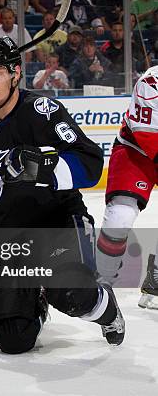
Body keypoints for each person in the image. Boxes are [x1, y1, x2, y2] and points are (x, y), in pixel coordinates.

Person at [0, 37, 125, 354]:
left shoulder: (43, 112)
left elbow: (90, 165)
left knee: (72, 293)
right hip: (8, 234)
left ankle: (107, 308)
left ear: (15, 73)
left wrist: (39, 167)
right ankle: (35, 294)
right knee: (12, 340)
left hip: (54, 222)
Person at [94, 65, 158, 311]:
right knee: (120, 218)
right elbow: (147, 135)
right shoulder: (152, 80)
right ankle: (101, 284)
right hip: (136, 151)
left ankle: (155, 281)